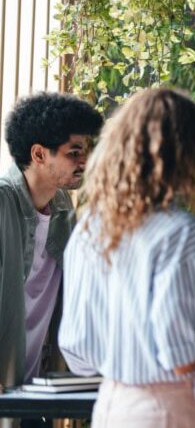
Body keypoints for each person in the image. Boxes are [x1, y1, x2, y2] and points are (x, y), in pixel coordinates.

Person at [58, 89, 195, 427]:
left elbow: (78, 353)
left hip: (110, 407)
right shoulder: (181, 233)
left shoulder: (89, 227)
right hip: (169, 411)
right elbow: (183, 359)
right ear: (187, 157)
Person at [0, 92, 102, 391]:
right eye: (74, 153)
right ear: (39, 154)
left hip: (34, 389)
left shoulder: (63, 209)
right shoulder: (3, 202)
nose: (85, 161)